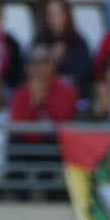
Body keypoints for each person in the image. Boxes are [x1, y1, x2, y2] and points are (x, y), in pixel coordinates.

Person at [6, 42, 80, 199]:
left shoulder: (66, 91)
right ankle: (19, 197)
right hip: (28, 146)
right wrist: (34, 105)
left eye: (44, 61)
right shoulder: (20, 94)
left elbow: (64, 119)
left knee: (51, 139)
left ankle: (48, 194)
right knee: (14, 141)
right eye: (34, 62)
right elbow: (17, 125)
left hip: (52, 149)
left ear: (52, 65)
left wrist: (42, 102)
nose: (39, 67)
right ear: (27, 67)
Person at [33, 0, 93, 97]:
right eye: (50, 14)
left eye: (58, 13)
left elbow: (83, 75)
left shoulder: (78, 42)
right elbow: (31, 73)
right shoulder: (38, 41)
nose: (53, 18)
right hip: (43, 93)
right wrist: (51, 58)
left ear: (66, 15)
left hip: (71, 95)